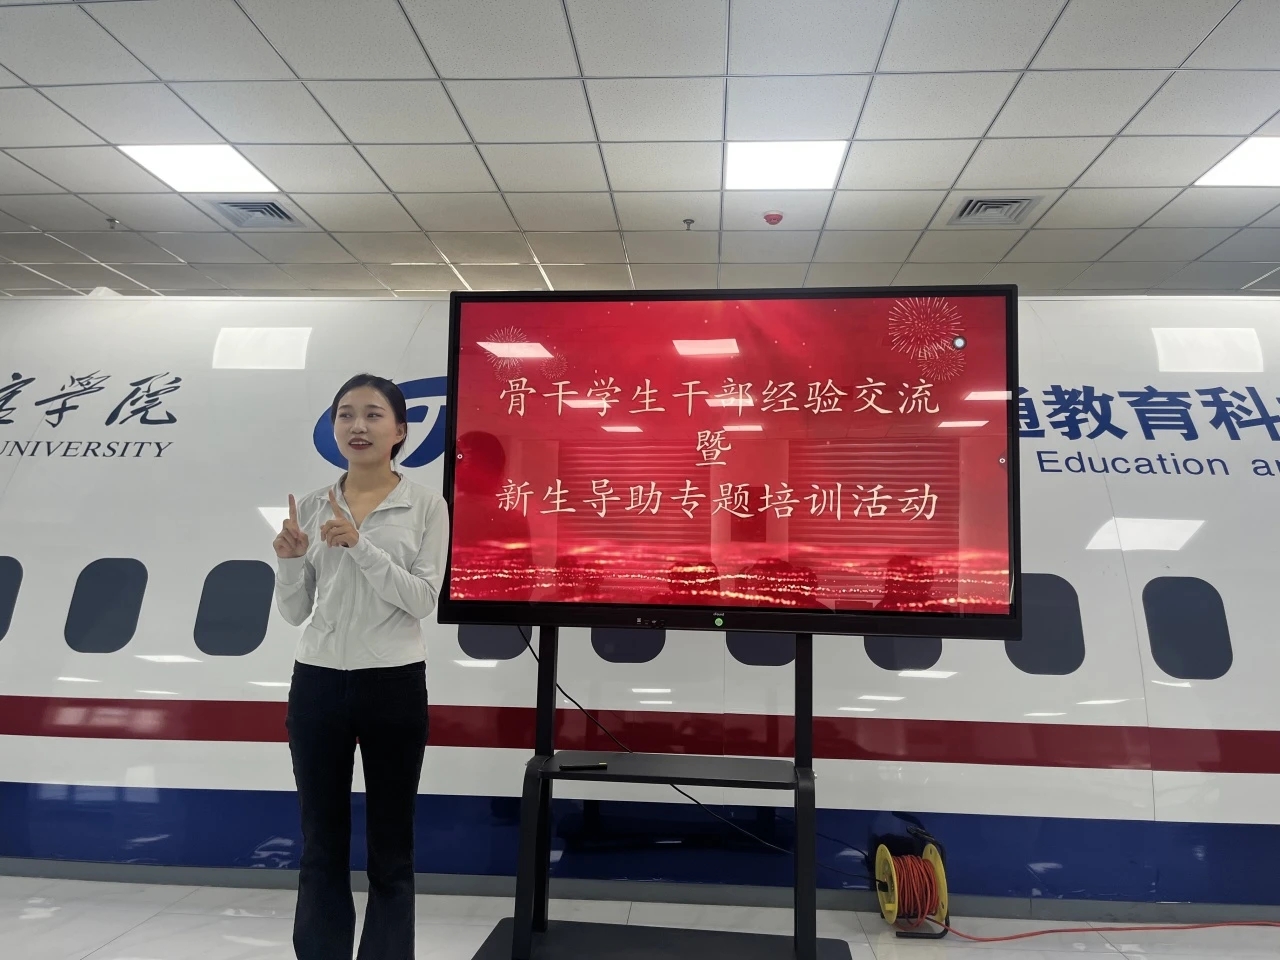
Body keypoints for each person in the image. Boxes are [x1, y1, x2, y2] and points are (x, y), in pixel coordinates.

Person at [273, 373, 449, 960]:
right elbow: (295, 612)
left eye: (373, 415)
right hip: (318, 682)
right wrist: (290, 563)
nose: (358, 426)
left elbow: (422, 600)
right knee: (321, 842)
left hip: (393, 683)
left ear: (400, 431)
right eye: (346, 414)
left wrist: (361, 546)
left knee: (391, 847)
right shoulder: (312, 504)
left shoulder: (426, 505)